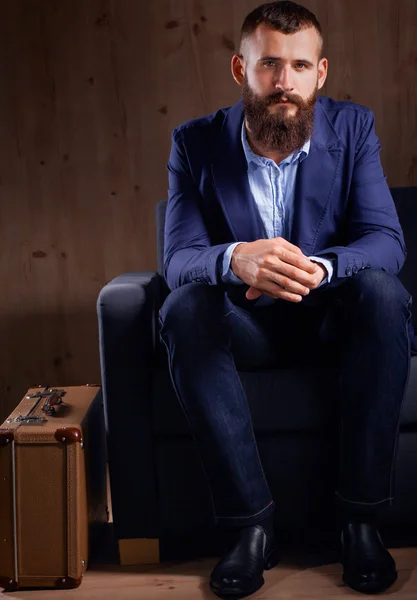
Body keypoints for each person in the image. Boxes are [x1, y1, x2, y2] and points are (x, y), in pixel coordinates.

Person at [158, 1, 416, 597]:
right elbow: (177, 260)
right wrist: (234, 257)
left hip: (331, 318)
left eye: (300, 67)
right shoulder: (194, 144)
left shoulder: (353, 129)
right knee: (183, 307)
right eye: (269, 64)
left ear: (320, 74)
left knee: (382, 293)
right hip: (243, 323)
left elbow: (385, 240)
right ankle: (251, 527)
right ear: (239, 68)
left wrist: (321, 270)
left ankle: (359, 520)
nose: (284, 83)